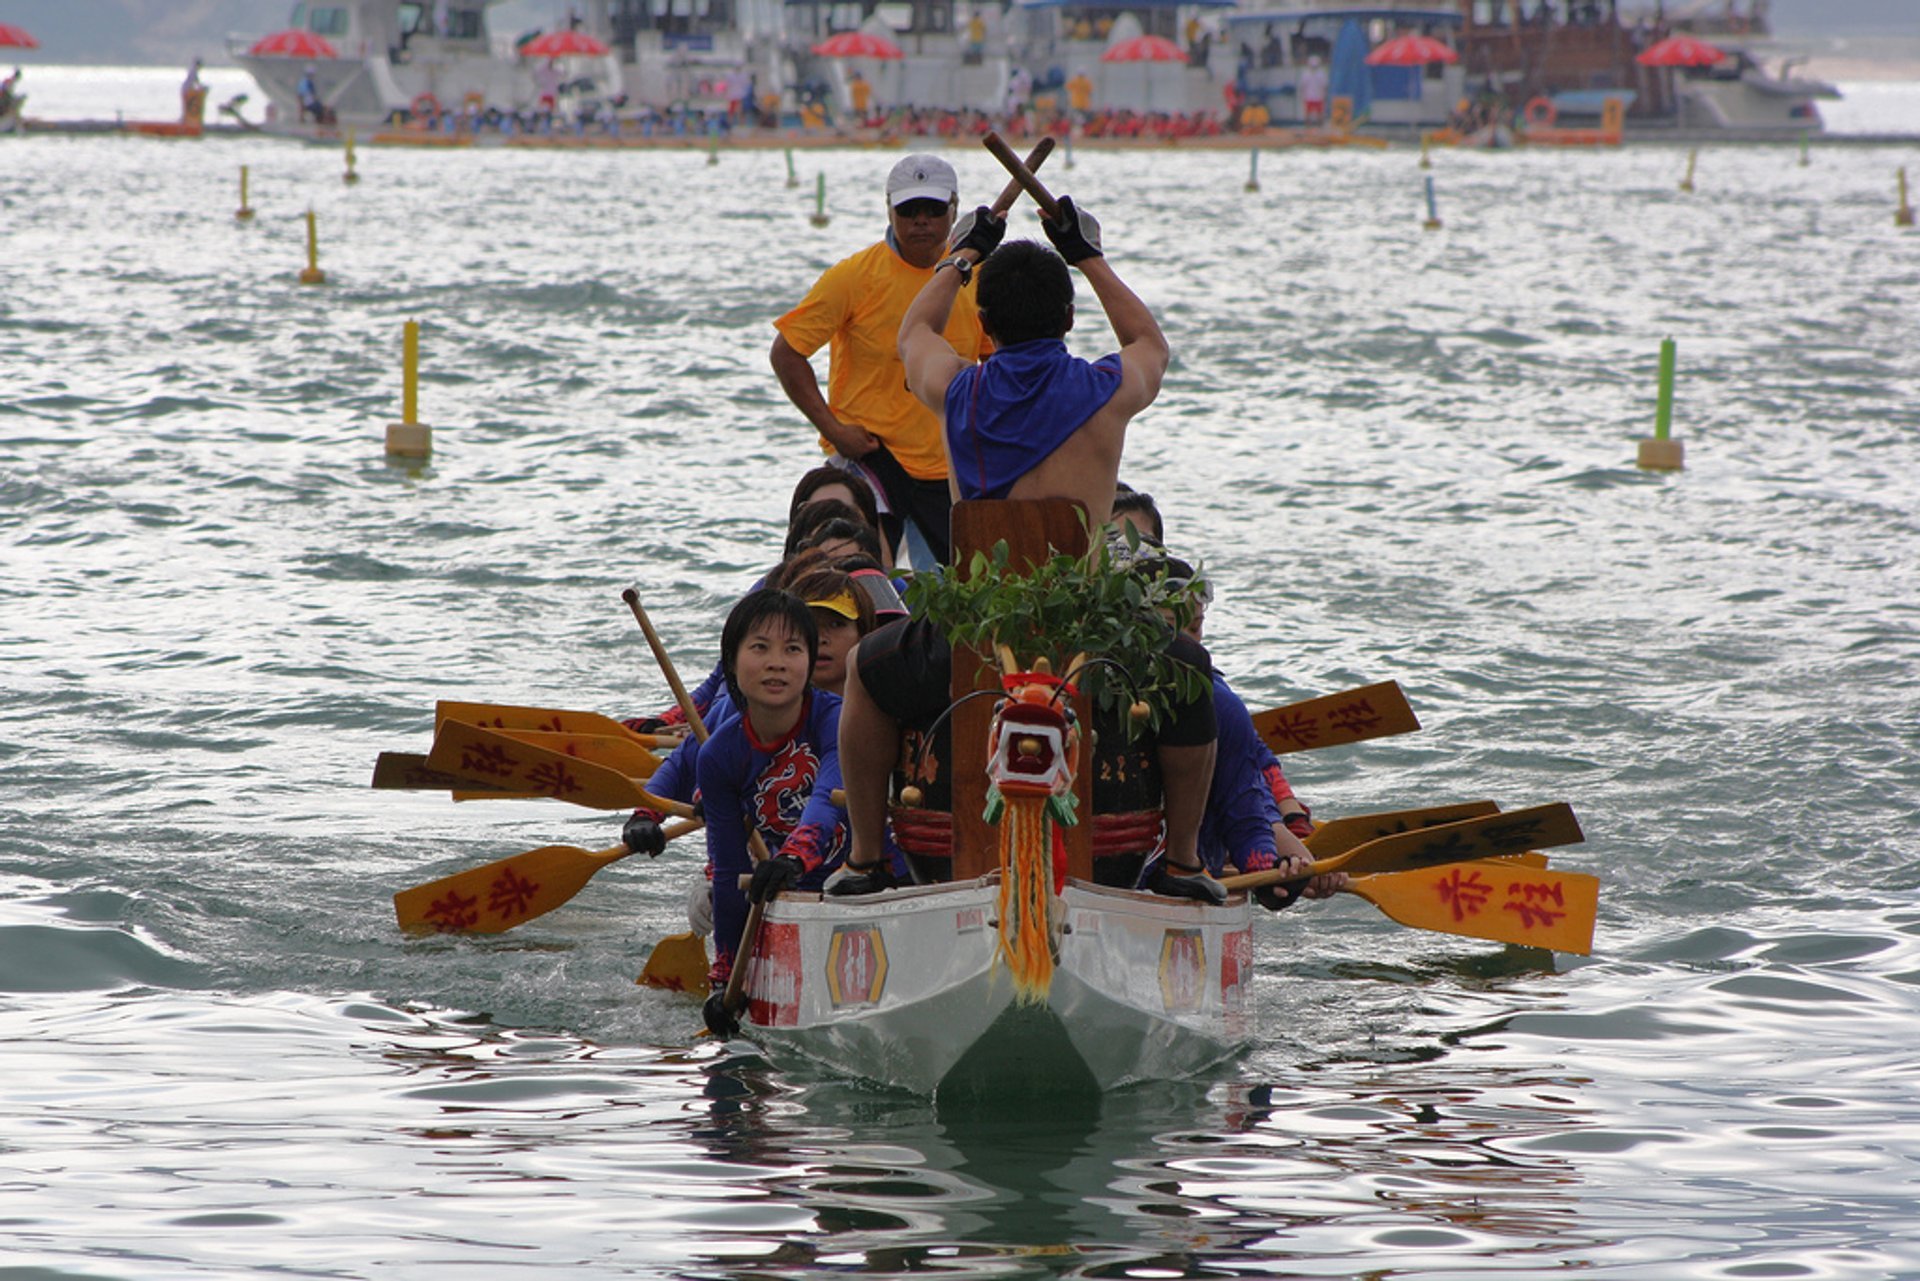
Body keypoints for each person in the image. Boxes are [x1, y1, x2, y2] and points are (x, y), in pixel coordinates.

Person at [831, 197, 1220, 901]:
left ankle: (864, 858)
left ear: (982, 327)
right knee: (1191, 672)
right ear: (1069, 319)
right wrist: (1086, 254)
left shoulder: (958, 388)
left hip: (973, 632)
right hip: (1091, 637)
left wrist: (962, 252)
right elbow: (1152, 345)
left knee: (863, 668)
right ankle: (1184, 862)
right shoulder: (1107, 390)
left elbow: (912, 329)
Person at [770, 155, 991, 570]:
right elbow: (787, 352)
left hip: (947, 467)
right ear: (889, 209)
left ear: (955, 209)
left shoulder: (977, 278)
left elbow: (996, 365)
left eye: (933, 210)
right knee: (852, 579)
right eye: (908, 210)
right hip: (868, 456)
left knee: (961, 591)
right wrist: (833, 429)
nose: (920, 221)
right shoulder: (853, 277)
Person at [1298, 55, 1328, 124]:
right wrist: (1303, 95)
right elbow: (1303, 86)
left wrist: (1324, 95)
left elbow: (1324, 86)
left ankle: (1320, 126)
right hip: (1309, 96)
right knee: (1308, 113)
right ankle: (1307, 127)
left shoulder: (1321, 74)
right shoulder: (1306, 74)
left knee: (1319, 113)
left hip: (1318, 96)